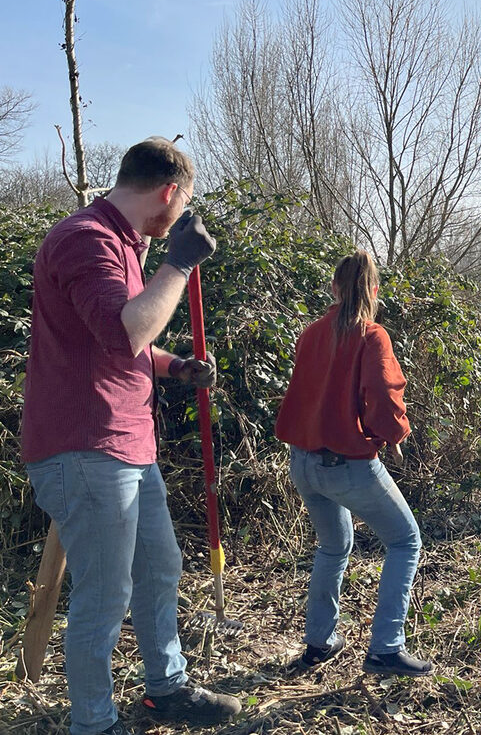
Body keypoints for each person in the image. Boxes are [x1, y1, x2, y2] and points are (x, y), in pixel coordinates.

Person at [21, 137, 240, 735]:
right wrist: (180, 264)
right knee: (104, 597)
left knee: (160, 567)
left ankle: (166, 687)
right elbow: (126, 332)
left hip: (125, 445)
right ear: (170, 193)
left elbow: (119, 342)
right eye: (184, 201)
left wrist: (177, 367)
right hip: (87, 447)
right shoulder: (85, 239)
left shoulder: (121, 242)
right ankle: (94, 724)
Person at [274, 250, 432, 678]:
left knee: (333, 545)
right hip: (345, 464)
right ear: (374, 291)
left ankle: (319, 642)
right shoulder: (371, 336)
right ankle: (386, 648)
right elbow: (382, 395)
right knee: (405, 541)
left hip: (302, 463)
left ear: (334, 288)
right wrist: (394, 435)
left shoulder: (311, 333)